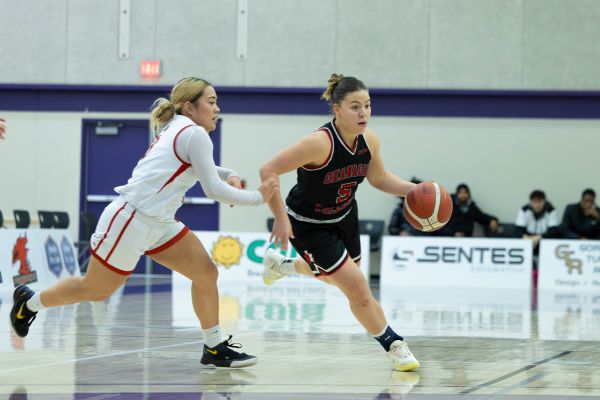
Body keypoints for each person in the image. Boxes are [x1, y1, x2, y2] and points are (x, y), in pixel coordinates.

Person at [10, 77, 278, 368]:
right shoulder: (194, 133)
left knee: (205, 273)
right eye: (211, 102)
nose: (217, 109)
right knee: (96, 289)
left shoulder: (181, 128)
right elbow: (211, 189)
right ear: (190, 107)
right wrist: (257, 197)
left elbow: (201, 168)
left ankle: (213, 347)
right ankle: (29, 302)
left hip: (160, 223)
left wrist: (227, 174)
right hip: (132, 219)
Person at [259, 73, 420, 372]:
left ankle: (281, 266)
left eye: (368, 106)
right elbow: (268, 169)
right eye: (355, 107)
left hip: (345, 216)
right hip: (308, 224)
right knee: (358, 289)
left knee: (338, 279)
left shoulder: (369, 141)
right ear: (336, 109)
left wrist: (414, 190)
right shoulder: (319, 144)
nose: (364, 114)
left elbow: (379, 179)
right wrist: (280, 218)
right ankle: (394, 343)